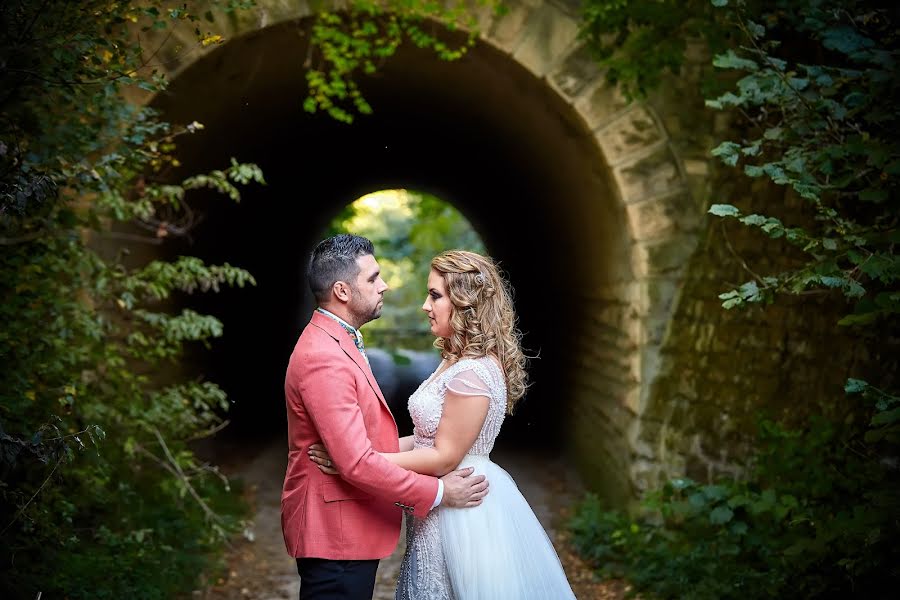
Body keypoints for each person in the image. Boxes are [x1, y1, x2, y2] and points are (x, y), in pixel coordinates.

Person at [309, 249, 577, 599]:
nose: (425, 305)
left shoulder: (474, 372)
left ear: (465, 302)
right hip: (440, 504)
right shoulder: (454, 360)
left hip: (463, 505)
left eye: (435, 295)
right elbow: (423, 439)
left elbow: (443, 456)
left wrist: (356, 462)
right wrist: (362, 451)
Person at [282, 235, 490, 600]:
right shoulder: (323, 356)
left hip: (346, 533)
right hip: (335, 536)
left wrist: (357, 456)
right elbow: (357, 464)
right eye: (373, 278)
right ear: (343, 291)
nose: (385, 285)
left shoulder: (339, 340)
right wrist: (441, 492)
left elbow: (360, 452)